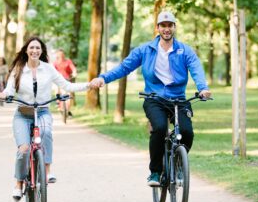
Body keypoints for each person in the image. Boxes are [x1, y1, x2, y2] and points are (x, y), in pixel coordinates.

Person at [89, 11, 212, 186]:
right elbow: (124, 67)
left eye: (170, 25)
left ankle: (178, 165)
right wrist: (103, 78)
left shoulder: (185, 50)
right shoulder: (145, 50)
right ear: (158, 28)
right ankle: (155, 172)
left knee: (187, 132)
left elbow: (196, 69)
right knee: (160, 128)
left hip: (178, 99)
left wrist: (203, 88)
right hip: (154, 99)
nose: (167, 29)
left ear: (174, 27)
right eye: (163, 25)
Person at [0, 36, 91, 201]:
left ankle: (47, 171)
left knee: (46, 134)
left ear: (42, 51)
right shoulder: (18, 68)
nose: (35, 51)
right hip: (22, 114)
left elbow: (67, 86)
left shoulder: (48, 69)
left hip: (42, 112)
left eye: (38, 48)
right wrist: (5, 94)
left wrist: (89, 85)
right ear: (26, 50)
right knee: (24, 149)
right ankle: (18, 183)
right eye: (32, 48)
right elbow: (10, 89)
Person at [53, 49, 77, 117]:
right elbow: (52, 70)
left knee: (68, 96)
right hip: (57, 80)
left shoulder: (68, 61)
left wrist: (74, 73)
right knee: (56, 88)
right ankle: (57, 102)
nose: (61, 56)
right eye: (59, 55)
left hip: (67, 80)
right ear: (57, 55)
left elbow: (73, 69)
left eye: (62, 54)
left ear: (64, 55)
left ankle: (67, 110)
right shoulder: (55, 63)